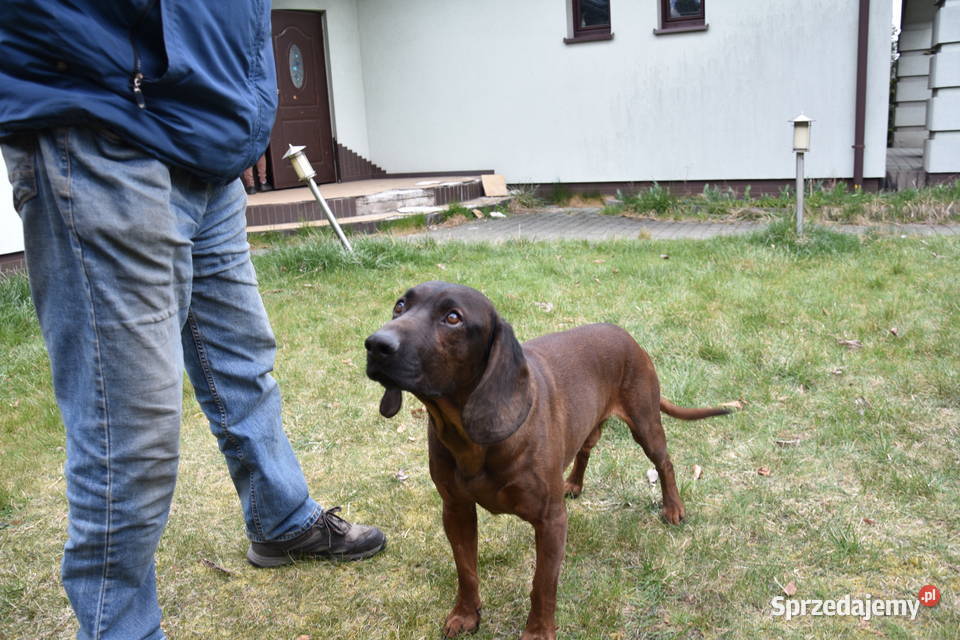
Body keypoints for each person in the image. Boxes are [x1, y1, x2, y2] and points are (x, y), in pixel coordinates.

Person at [0, 2, 385, 639]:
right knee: (128, 429)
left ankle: (281, 519)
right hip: (105, 130)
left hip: (208, 148)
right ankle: (121, 627)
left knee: (243, 365)